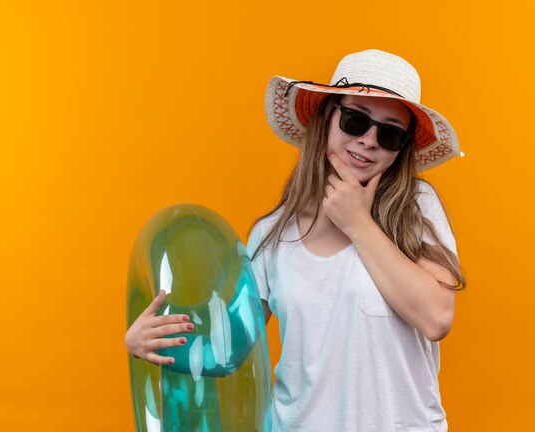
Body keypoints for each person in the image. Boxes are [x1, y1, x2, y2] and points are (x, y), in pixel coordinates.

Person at [126, 49, 466, 431]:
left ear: (399, 149)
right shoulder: (274, 234)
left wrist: (357, 222)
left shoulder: (417, 209)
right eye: (355, 120)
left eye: (389, 133)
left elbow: (436, 317)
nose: (369, 140)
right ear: (327, 119)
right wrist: (150, 341)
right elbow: (229, 349)